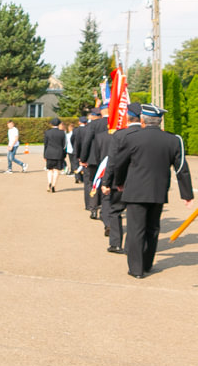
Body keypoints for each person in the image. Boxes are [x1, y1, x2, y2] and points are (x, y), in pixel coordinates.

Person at [112, 104, 193, 278]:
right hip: (158, 191)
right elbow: (181, 169)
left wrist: (118, 183)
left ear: (142, 119)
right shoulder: (173, 140)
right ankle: (147, 265)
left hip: (135, 191)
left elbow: (120, 163)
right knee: (152, 229)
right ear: (160, 121)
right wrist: (187, 195)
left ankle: (136, 269)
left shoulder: (132, 138)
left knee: (136, 230)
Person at [100, 103, 142, 253]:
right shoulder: (146, 134)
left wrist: (106, 182)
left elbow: (112, 161)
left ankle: (116, 244)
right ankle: (134, 245)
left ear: (127, 118)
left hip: (120, 181)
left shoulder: (119, 135)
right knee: (136, 214)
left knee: (115, 211)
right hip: (140, 182)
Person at [80, 106, 107, 219]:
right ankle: (104, 210)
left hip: (93, 159)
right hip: (108, 158)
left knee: (92, 183)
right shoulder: (117, 123)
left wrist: (83, 158)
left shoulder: (94, 124)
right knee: (106, 183)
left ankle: (92, 207)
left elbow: (86, 142)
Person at [43, 117, 66, 193]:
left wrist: (44, 155)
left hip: (49, 153)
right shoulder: (62, 133)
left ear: (51, 124)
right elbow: (64, 145)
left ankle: (49, 182)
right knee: (56, 170)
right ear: (59, 124)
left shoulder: (47, 132)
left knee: (50, 170)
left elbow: (45, 144)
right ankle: (53, 185)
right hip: (59, 154)